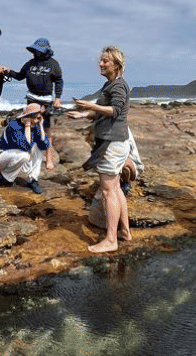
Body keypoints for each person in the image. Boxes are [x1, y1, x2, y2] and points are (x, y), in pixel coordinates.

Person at [68, 46, 132, 253]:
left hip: (112, 144)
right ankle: (125, 232)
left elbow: (115, 111)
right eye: (101, 60)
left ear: (117, 65)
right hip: (112, 142)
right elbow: (103, 113)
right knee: (114, 188)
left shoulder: (119, 86)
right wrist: (83, 115)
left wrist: (90, 106)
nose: (101, 64)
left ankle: (111, 240)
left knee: (108, 191)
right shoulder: (110, 85)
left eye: (105, 61)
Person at [0, 102, 54, 194]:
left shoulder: (36, 126)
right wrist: (27, 126)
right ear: (27, 116)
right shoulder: (14, 125)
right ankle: (6, 177)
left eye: (39, 118)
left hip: (15, 156)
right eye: (35, 118)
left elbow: (44, 145)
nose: (37, 121)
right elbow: (25, 146)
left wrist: (41, 126)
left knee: (38, 147)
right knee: (24, 154)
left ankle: (33, 180)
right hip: (0, 158)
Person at [11, 38, 64, 141]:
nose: (37, 52)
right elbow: (19, 76)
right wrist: (8, 71)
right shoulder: (30, 63)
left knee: (46, 126)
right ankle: (31, 150)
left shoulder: (53, 64)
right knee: (30, 124)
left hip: (46, 100)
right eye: (36, 50)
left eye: (39, 50)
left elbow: (59, 81)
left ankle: (49, 155)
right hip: (31, 98)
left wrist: (58, 98)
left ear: (46, 50)